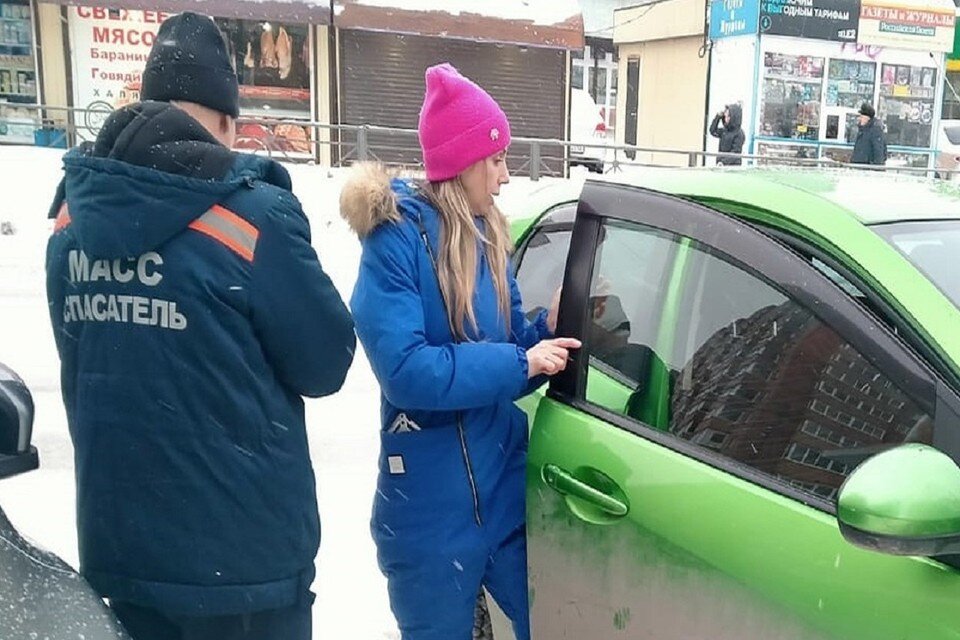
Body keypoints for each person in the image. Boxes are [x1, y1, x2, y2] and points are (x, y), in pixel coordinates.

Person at [45, 12, 355, 640]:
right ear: (223, 120)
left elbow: (83, 356)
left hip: (123, 561)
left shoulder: (70, 221)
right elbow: (326, 362)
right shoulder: (250, 218)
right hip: (244, 572)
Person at [341, 63, 581, 640]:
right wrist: (519, 361)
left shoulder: (488, 235)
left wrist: (540, 336)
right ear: (464, 162)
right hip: (428, 512)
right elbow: (406, 371)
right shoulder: (395, 240)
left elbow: (508, 356)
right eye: (496, 161)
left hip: (504, 495)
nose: (504, 177)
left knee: (557, 624)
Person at [851, 102, 887, 167]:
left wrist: (877, 169)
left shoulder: (875, 131)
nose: (859, 119)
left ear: (867, 118)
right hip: (859, 167)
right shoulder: (863, 130)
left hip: (867, 169)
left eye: (861, 117)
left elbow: (878, 152)